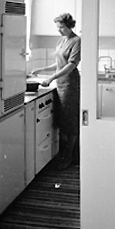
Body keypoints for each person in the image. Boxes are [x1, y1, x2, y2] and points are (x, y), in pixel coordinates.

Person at [31, 13, 81, 169]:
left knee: (70, 121)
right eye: (58, 27)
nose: (59, 30)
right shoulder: (61, 40)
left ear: (70, 26)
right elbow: (59, 63)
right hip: (60, 83)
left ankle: (70, 157)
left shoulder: (77, 41)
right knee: (63, 120)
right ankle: (68, 155)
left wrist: (51, 77)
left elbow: (71, 65)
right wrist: (42, 69)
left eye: (62, 27)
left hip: (70, 84)